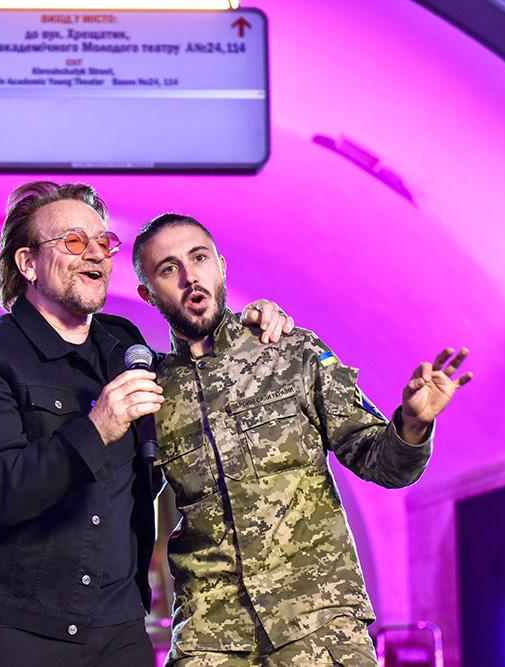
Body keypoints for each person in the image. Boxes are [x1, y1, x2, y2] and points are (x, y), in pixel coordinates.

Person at [0, 182, 292, 667]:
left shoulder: (126, 346)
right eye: (74, 241)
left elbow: (202, 387)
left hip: (118, 624)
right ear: (28, 264)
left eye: (104, 242)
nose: (95, 253)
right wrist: (95, 427)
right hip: (14, 627)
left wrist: (245, 327)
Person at [131, 213, 473, 667]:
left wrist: (412, 424)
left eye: (200, 257)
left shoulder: (293, 352)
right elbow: (123, 511)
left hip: (318, 625)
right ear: (148, 293)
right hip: (210, 640)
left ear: (222, 266)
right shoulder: (152, 394)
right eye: (169, 269)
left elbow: (383, 464)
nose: (191, 275)